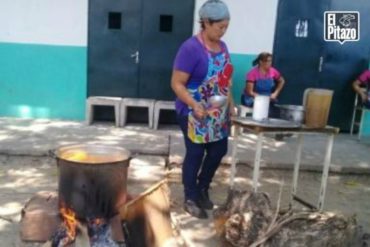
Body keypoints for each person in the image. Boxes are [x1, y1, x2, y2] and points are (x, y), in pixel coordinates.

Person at [171, 0, 234, 219]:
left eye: (226, 27)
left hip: (216, 110)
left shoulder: (223, 47)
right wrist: (193, 104)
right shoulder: (190, 48)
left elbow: (225, 80)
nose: (223, 31)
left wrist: (231, 105)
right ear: (206, 22)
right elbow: (177, 83)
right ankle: (190, 197)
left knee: (218, 150)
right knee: (196, 152)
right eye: (220, 27)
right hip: (192, 109)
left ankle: (203, 188)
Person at [241, 52, 285, 117]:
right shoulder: (252, 73)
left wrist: (276, 93)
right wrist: (263, 98)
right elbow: (249, 92)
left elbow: (282, 81)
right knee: (266, 111)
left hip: (267, 98)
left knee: (276, 112)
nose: (270, 63)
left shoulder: (273, 71)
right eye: (268, 61)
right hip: (251, 99)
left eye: (271, 61)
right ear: (261, 62)